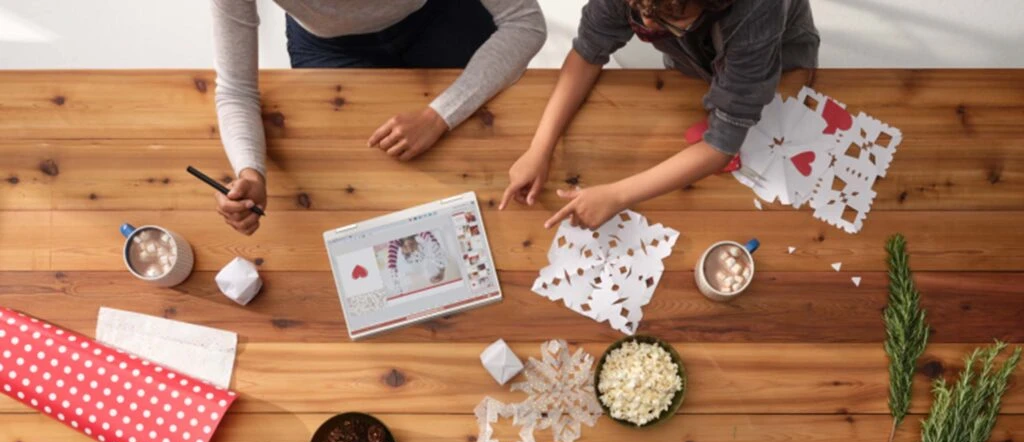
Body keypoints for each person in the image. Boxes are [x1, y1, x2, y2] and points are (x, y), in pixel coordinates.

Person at [210, 0, 547, 235]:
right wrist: (250, 172)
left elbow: (524, 23)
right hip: (329, 49)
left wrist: (439, 116)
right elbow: (236, 89)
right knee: (367, 194)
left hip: (440, 16)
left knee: (481, 158)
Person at [500, 0, 819, 229]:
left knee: (773, 139)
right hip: (694, 66)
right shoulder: (651, 8)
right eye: (638, 9)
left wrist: (617, 194)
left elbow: (722, 144)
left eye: (670, 19)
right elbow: (587, 53)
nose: (648, 25)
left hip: (781, 65)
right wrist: (539, 148)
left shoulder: (757, 13)